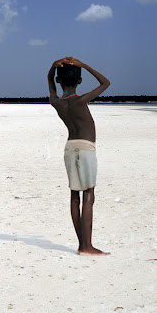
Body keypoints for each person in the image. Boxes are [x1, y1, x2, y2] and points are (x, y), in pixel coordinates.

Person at [47, 56, 110, 256]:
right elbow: (105, 83)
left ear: (59, 81)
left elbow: (50, 82)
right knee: (88, 195)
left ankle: (81, 244)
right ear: (80, 81)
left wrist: (52, 68)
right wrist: (83, 65)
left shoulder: (57, 102)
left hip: (69, 147)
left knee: (75, 196)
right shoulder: (81, 100)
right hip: (86, 147)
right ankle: (87, 246)